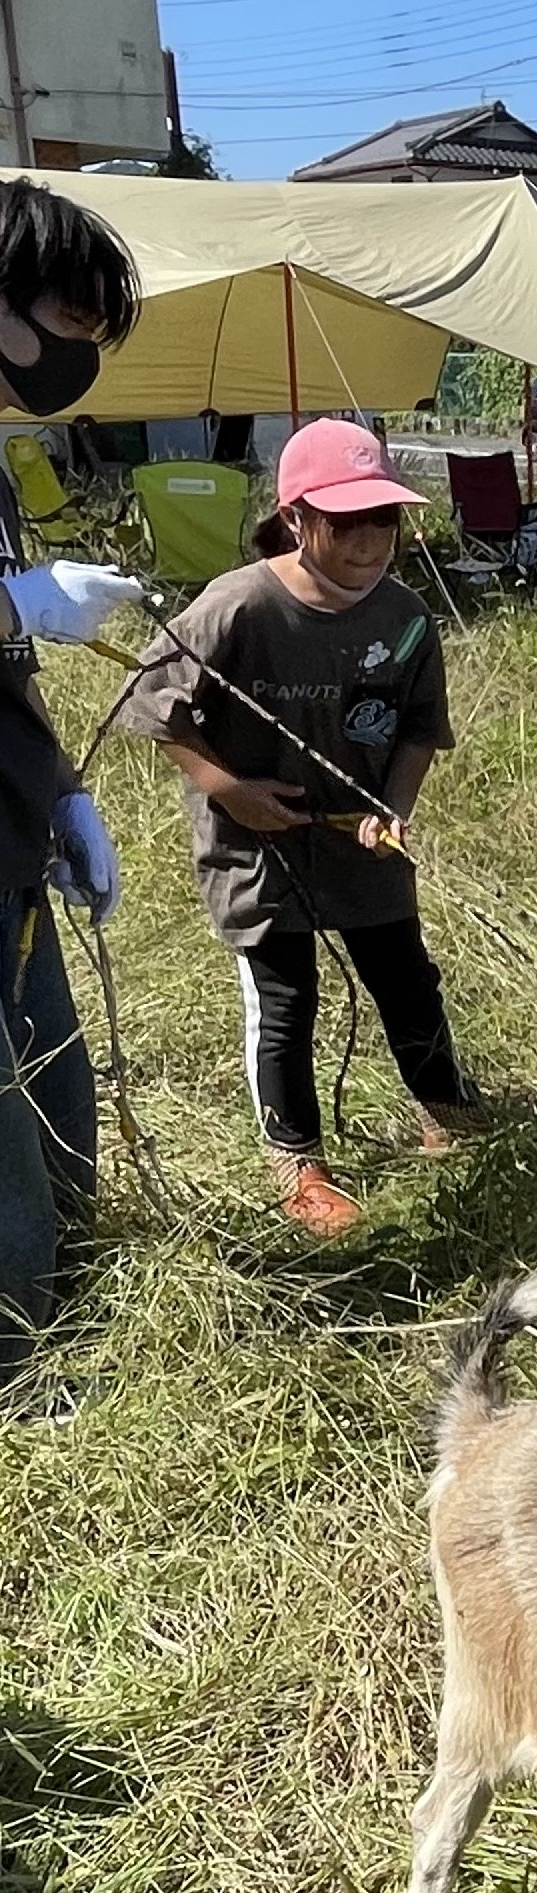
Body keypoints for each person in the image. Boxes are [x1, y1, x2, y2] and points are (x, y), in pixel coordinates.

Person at [120, 419, 481, 1240]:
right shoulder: (239, 603)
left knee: (405, 977)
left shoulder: (406, 616)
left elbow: (421, 728)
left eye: (381, 520)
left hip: (361, 836)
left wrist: (394, 806)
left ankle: (445, 1110)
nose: (367, 541)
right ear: (295, 519)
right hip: (259, 841)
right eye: (344, 522)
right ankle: (299, 1162)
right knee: (287, 1000)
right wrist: (231, 790)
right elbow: (154, 707)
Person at [0, 177, 146, 1373]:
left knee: (48, 1075)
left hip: (7, 837)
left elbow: (9, 671)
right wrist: (13, 600)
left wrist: (63, 793)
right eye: (69, 323)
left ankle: (67, 1291)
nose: (75, 359)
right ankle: (17, 1352)